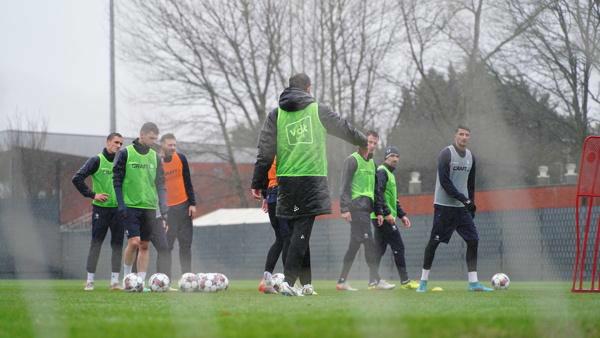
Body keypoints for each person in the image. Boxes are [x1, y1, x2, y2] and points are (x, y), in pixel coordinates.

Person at [251, 73, 367, 296]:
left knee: (297, 232)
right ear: (308, 88)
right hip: (310, 178)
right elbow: (344, 128)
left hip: (286, 180)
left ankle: (306, 285)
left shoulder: (276, 115)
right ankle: (288, 281)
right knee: (302, 230)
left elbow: (264, 153)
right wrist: (363, 142)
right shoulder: (317, 110)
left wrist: (258, 182)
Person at [416, 126, 493, 292]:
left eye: (467, 135)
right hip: (444, 207)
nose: (464, 137)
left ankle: (473, 283)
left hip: (462, 208)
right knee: (434, 243)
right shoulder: (446, 154)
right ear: (455, 135)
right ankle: (423, 282)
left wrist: (471, 204)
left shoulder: (471, 157)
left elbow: (470, 184)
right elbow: (445, 182)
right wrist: (464, 199)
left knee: (473, 240)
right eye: (461, 134)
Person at [335, 131, 394, 291]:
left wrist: (379, 211)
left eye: (375, 143)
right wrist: (344, 209)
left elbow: (375, 191)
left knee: (354, 246)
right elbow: (344, 186)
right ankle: (376, 280)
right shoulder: (352, 160)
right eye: (369, 142)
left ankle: (342, 281)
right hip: (356, 210)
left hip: (367, 211)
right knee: (369, 244)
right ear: (362, 142)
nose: (372, 145)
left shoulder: (373, 164)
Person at [113, 122, 168, 288]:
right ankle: (127, 279)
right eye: (151, 138)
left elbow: (160, 184)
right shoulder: (125, 154)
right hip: (131, 206)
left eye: (155, 139)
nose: (153, 141)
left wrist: (163, 209)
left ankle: (141, 283)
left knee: (144, 245)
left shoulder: (155, 157)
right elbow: (116, 180)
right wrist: (121, 204)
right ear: (142, 134)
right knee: (134, 242)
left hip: (150, 207)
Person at [72, 132, 125, 291]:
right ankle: (89, 281)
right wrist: (93, 194)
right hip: (100, 210)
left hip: (118, 210)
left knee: (117, 245)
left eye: (121, 144)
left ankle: (114, 282)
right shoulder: (96, 160)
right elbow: (77, 178)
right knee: (96, 244)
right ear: (108, 142)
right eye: (116, 142)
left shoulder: (121, 162)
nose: (119, 146)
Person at [371, 146, 419, 290]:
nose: (395, 159)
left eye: (397, 156)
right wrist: (386, 213)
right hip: (382, 217)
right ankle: (405, 282)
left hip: (384, 216)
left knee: (378, 250)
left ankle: (372, 281)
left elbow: (394, 199)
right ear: (386, 157)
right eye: (392, 155)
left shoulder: (390, 174)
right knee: (398, 246)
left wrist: (402, 215)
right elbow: (377, 193)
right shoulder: (382, 171)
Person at [159, 133, 196, 277]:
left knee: (186, 245)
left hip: (184, 207)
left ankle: (187, 277)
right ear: (162, 144)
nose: (173, 148)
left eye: (175, 145)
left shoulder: (181, 158)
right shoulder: (157, 162)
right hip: (168, 211)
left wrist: (192, 203)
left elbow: (188, 181)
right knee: (167, 247)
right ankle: (164, 278)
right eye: (170, 145)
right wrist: (161, 212)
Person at [258, 158, 290, 294]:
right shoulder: (286, 149)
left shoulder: (269, 152)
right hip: (281, 194)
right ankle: (288, 282)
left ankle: (266, 280)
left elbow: (262, 170)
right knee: (287, 237)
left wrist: (265, 196)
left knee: (280, 239)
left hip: (271, 195)